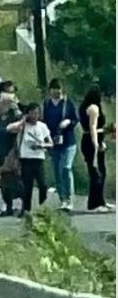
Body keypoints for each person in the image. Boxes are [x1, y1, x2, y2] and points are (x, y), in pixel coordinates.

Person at [7, 103, 52, 216]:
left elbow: (50, 143)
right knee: (27, 186)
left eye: (37, 113)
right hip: (26, 158)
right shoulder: (23, 126)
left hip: (38, 158)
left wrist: (42, 146)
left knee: (43, 183)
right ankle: (26, 208)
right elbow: (9, 129)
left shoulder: (42, 126)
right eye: (32, 113)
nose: (35, 116)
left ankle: (42, 200)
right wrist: (23, 120)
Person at [42, 79, 79, 212]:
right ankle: (62, 199)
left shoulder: (68, 103)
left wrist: (68, 122)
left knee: (65, 167)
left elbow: (76, 118)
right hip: (53, 142)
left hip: (68, 141)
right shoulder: (47, 104)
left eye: (58, 89)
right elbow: (43, 122)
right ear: (49, 90)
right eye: (53, 89)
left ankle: (69, 198)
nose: (56, 91)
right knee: (57, 170)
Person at [79, 86, 113, 212]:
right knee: (97, 172)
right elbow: (93, 126)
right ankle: (95, 204)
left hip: (88, 140)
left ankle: (101, 200)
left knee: (100, 171)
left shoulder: (84, 107)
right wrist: (96, 143)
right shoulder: (94, 108)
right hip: (92, 141)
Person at [0, 84, 23, 216]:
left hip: (12, 151)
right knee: (4, 181)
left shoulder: (15, 116)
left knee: (16, 179)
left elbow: (20, 130)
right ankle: (8, 206)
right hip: (1, 150)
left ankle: (23, 204)